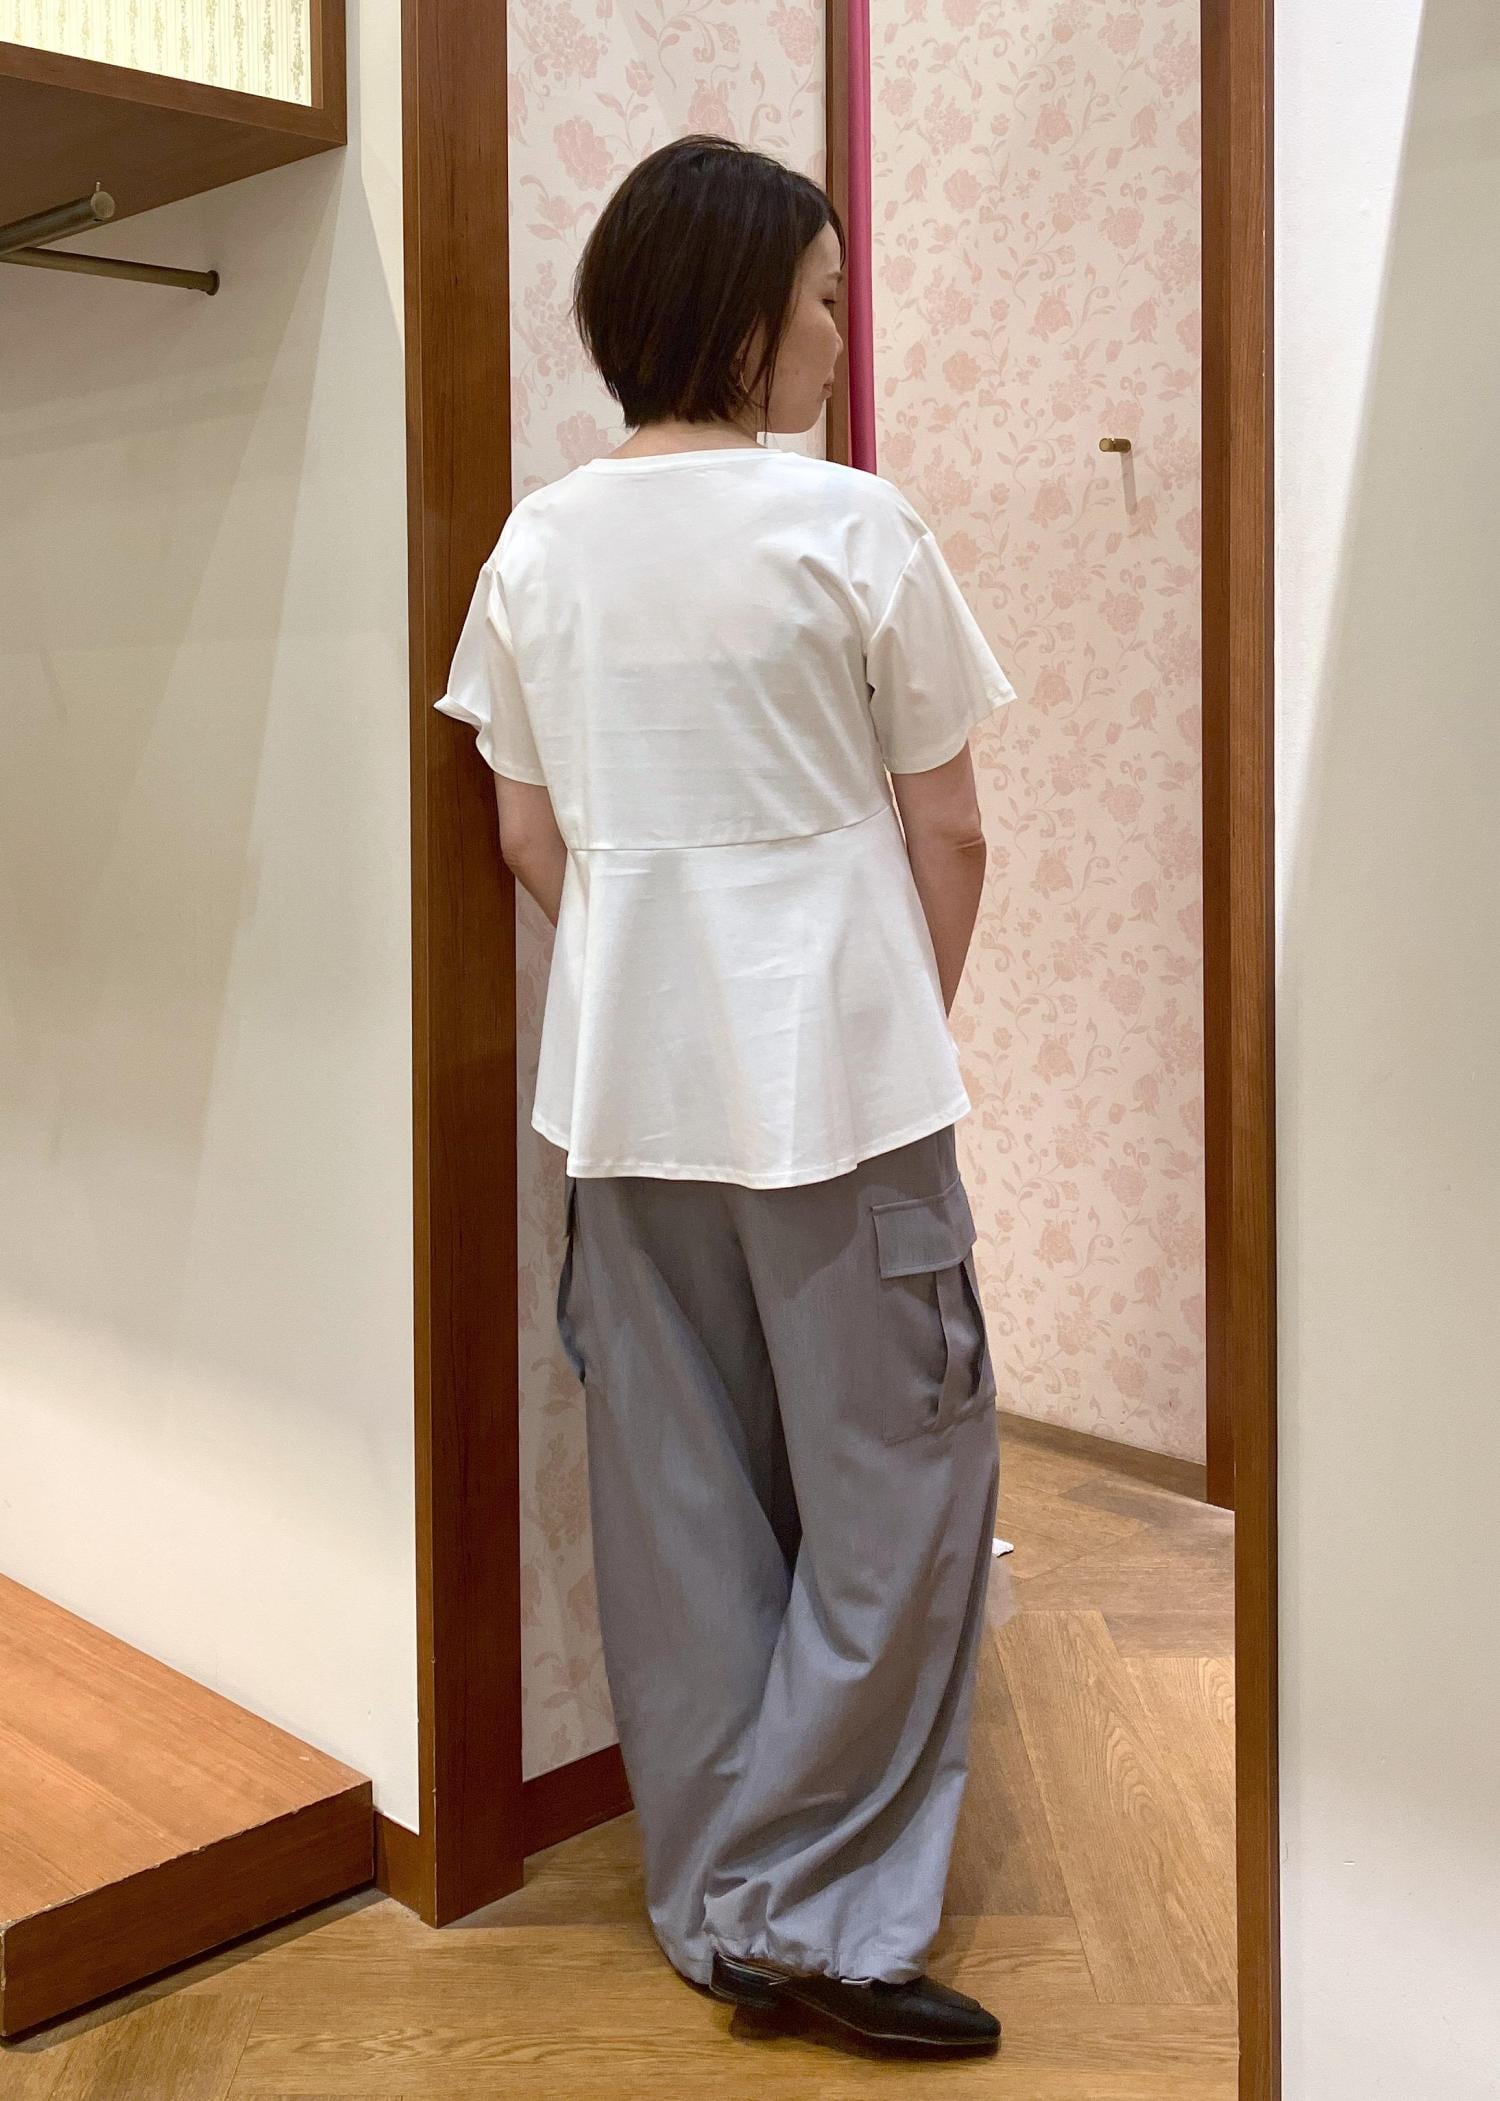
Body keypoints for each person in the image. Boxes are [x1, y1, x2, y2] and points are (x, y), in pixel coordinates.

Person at [434, 134, 1016, 2054]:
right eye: (827, 297)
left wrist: (663, 981)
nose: (844, 334)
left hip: (623, 1103)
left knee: (677, 1508)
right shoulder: (853, 527)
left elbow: (530, 841)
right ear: (744, 311)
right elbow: (949, 830)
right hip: (841, 1102)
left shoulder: (535, 547)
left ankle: (715, 1905)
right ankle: (813, 1917)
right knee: (901, 1490)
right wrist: (879, 1022)